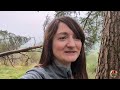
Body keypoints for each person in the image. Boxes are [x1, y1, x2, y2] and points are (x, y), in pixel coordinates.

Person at [20, 16, 88, 79]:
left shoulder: (77, 74)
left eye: (77, 38)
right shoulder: (39, 75)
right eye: (62, 38)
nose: (72, 44)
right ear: (49, 43)